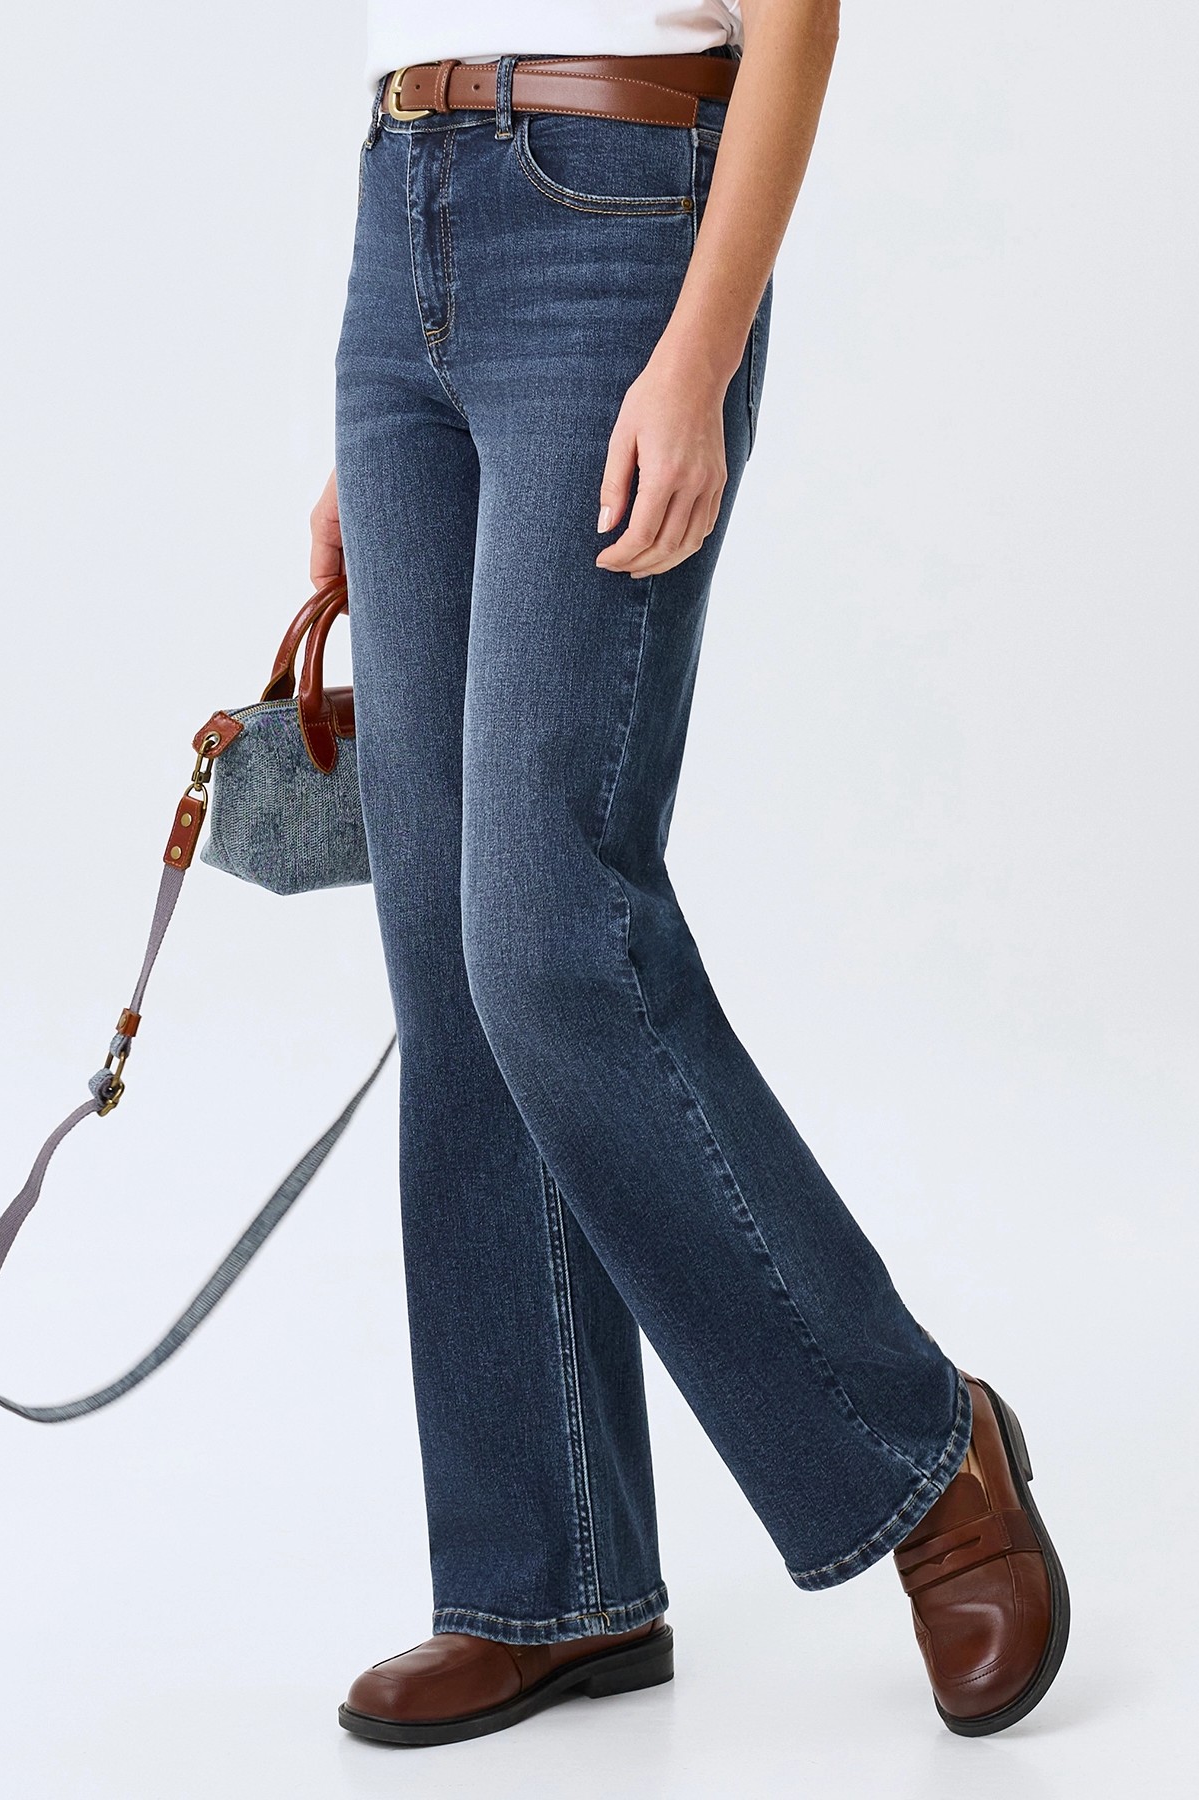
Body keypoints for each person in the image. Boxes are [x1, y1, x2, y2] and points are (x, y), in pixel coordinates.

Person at [315, 0, 1069, 1748]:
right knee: (446, 962)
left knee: (548, 936)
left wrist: (700, 349)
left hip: (619, 214)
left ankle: (923, 1447)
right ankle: (548, 1583)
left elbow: (794, 19)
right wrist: (378, 412)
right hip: (401, 215)